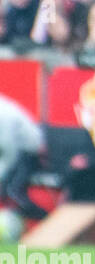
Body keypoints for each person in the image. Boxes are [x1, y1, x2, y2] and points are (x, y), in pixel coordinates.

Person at [0, 94, 47, 223]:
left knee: (12, 192)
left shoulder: (3, 115)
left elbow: (9, 150)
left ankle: (47, 220)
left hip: (28, 153)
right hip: (15, 153)